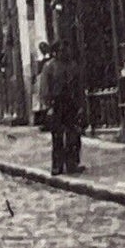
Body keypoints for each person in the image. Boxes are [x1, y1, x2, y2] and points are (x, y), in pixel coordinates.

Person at [39, 41, 85, 176]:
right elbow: (45, 88)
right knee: (57, 136)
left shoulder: (73, 66)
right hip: (57, 104)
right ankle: (57, 166)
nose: (65, 53)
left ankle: (72, 164)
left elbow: (78, 86)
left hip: (71, 104)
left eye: (67, 50)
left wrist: (80, 105)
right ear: (56, 52)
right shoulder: (49, 67)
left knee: (73, 135)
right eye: (62, 50)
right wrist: (48, 106)